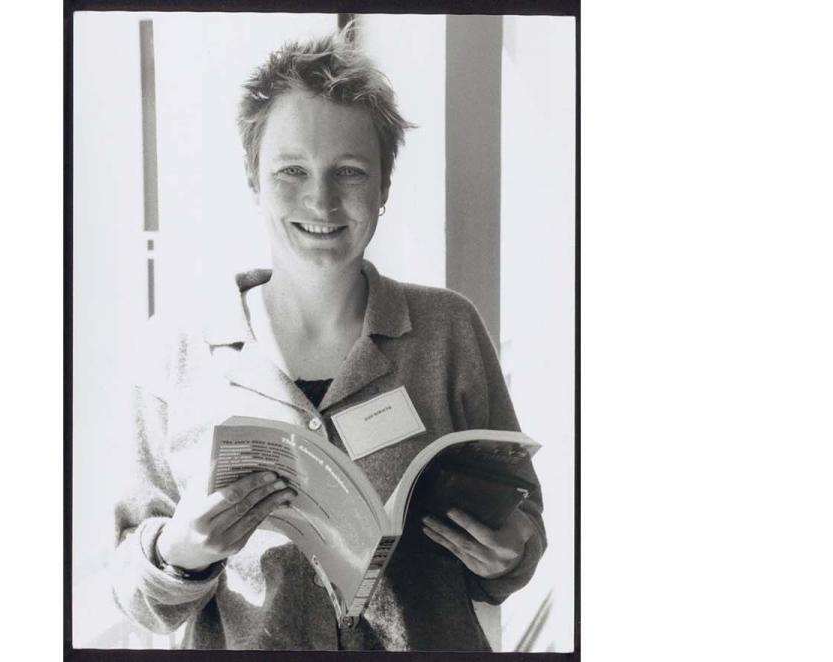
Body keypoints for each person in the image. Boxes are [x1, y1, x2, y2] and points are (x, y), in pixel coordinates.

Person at [111, 25, 546, 651]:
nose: (321, 200)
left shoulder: (450, 330)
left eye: (350, 171)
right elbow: (135, 592)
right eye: (292, 170)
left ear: (384, 187)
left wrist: (510, 554)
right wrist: (180, 552)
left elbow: (523, 520)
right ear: (254, 179)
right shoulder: (175, 352)